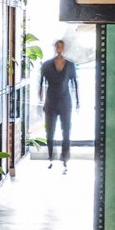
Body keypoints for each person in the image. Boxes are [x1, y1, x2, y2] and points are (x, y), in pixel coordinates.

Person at [38, 40, 79, 174]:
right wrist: (41, 100)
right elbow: (41, 83)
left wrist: (78, 101)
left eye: (61, 46)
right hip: (51, 101)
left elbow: (75, 84)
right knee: (50, 130)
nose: (59, 49)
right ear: (55, 48)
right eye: (57, 46)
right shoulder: (47, 65)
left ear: (64, 48)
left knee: (66, 130)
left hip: (65, 102)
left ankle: (65, 157)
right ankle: (50, 156)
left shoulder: (70, 65)